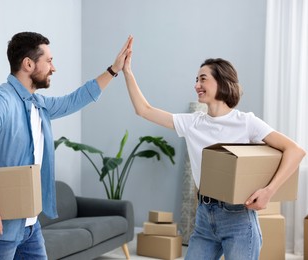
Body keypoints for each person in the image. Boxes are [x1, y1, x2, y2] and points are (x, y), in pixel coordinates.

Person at [122, 36, 306, 260]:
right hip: (204, 217)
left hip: (239, 219)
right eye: (196, 79)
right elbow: (145, 110)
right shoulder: (193, 123)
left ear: (222, 81)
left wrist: (268, 192)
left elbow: (295, 151)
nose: (196, 85)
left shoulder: (246, 122)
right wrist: (127, 71)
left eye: (202, 79)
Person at [0, 32, 132, 259]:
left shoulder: (38, 104)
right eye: (48, 61)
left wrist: (113, 70)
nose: (53, 68)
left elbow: (74, 100)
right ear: (28, 64)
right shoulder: (1, 100)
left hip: (29, 225)